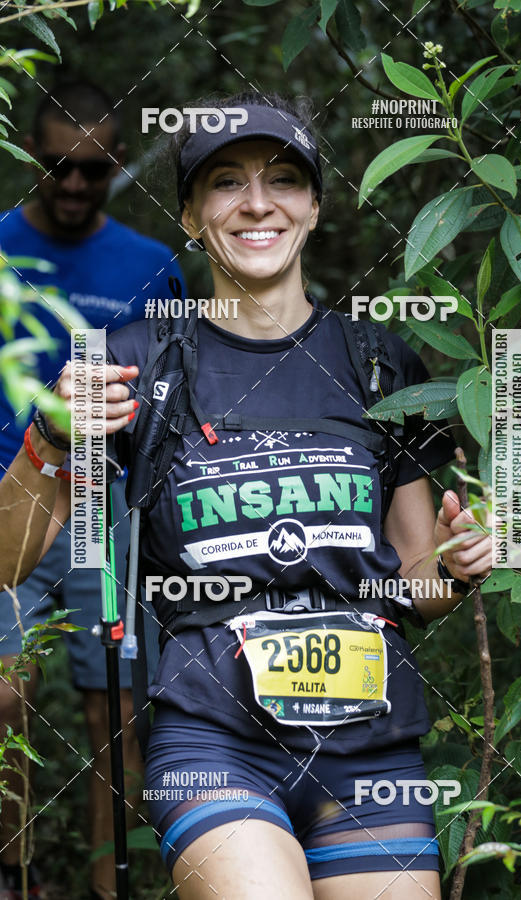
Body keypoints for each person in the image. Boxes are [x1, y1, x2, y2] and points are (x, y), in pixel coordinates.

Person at [0, 91, 492, 899]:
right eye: (226, 182)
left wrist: (458, 569)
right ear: (190, 215)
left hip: (372, 752)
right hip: (214, 744)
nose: (257, 203)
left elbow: (414, 582)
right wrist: (51, 438)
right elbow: (8, 564)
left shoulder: (378, 363)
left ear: (314, 207)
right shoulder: (133, 363)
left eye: (283, 179)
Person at [0, 80, 184, 899]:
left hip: (106, 512)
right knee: (5, 697)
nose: (74, 184)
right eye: (57, 166)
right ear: (31, 159)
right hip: (12, 497)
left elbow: (174, 393)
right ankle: (16, 875)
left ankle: (112, 884)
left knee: (117, 712)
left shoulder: (151, 266)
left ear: (118, 163)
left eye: (94, 169)